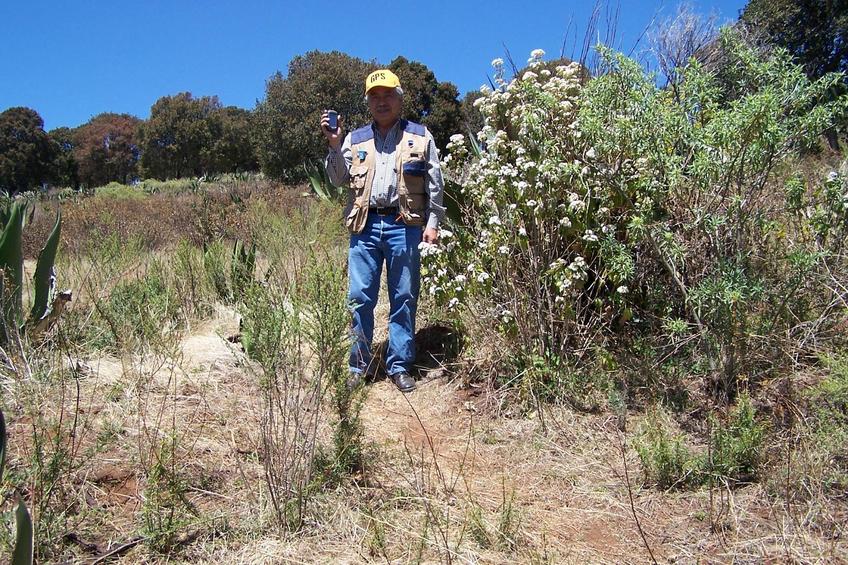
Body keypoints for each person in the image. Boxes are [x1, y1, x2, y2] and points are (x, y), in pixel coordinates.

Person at [321, 69, 445, 393]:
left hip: (406, 226)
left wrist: (432, 224)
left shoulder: (421, 136)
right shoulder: (355, 139)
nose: (382, 101)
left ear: (400, 98)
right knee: (360, 298)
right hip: (364, 226)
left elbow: (435, 184)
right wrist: (334, 146)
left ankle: (400, 365)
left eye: (388, 94)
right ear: (367, 103)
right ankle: (358, 366)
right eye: (374, 96)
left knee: (404, 297)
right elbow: (336, 179)